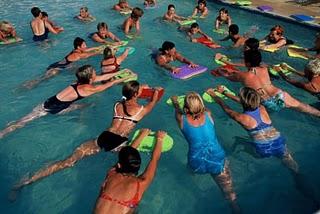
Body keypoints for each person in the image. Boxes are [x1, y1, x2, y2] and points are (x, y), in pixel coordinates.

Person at [13, 81, 162, 188]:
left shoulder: (117, 104)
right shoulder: (141, 110)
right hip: (119, 143)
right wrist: (154, 91)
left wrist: (136, 90)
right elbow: (154, 100)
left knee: (68, 161)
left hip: (104, 137)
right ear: (136, 94)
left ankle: (28, 180)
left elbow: (126, 98)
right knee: (126, 166)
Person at [0, 65, 131, 139]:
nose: (96, 73)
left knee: (83, 105)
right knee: (21, 122)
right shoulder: (88, 89)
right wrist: (122, 78)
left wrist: (122, 71)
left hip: (50, 102)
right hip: (50, 108)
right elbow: (106, 85)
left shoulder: (79, 83)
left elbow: (102, 78)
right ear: (90, 78)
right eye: (94, 73)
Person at [170, 92, 240, 213]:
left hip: (196, 162)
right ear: (202, 106)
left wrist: (175, 101)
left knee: (189, 168)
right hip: (217, 160)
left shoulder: (181, 119)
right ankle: (236, 209)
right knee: (229, 193)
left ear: (186, 109)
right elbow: (203, 109)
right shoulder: (208, 114)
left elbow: (177, 109)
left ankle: (189, 174)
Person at [206, 87, 299, 171]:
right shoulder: (262, 108)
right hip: (279, 142)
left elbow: (225, 108)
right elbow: (244, 102)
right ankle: (298, 176)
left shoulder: (241, 118)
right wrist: (225, 92)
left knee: (239, 141)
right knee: (292, 166)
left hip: (262, 149)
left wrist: (213, 95)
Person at [215, 49, 320, 117]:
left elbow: (230, 77)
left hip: (266, 103)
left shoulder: (243, 75)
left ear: (246, 63)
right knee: (307, 109)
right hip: (280, 95)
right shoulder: (264, 68)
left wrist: (221, 71)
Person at [94, 129, 165, 213]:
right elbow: (154, 159)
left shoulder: (111, 173)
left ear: (119, 165)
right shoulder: (141, 183)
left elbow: (127, 154)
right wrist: (160, 139)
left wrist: (141, 135)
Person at [23, 37, 103, 89]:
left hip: (57, 65)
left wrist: (97, 47)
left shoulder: (76, 50)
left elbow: (86, 50)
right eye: (84, 45)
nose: (86, 46)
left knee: (42, 78)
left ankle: (28, 85)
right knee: (41, 80)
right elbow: (88, 54)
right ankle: (27, 85)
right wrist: (99, 52)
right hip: (56, 69)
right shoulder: (77, 54)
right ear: (79, 47)